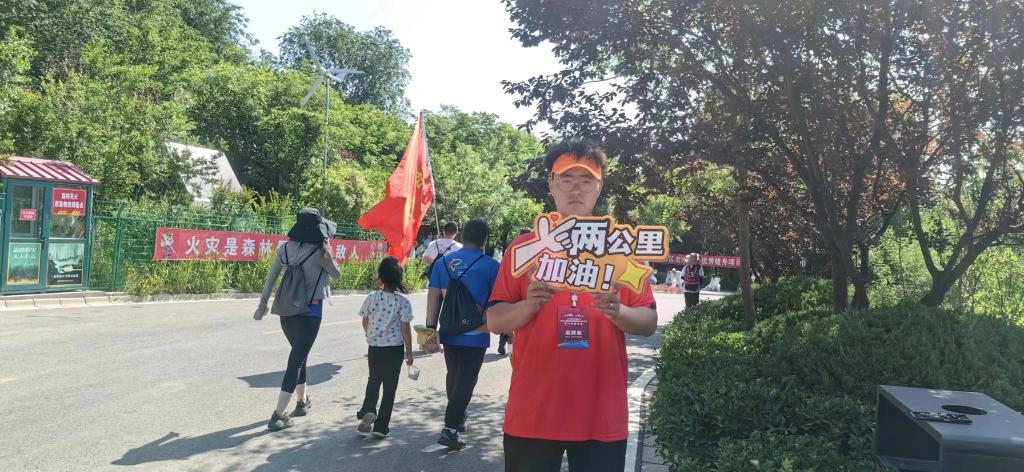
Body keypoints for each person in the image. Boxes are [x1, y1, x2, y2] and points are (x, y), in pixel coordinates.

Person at [487, 141, 658, 471]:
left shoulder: (620, 249)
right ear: (551, 184)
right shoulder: (525, 248)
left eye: (586, 180)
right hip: (533, 412)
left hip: (601, 414)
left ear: (599, 187)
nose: (575, 189)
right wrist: (529, 305)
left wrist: (618, 311)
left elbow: (648, 321)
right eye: (566, 179)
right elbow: (495, 319)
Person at [254, 208, 341, 431]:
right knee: (297, 360)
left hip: (286, 311)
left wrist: (262, 306)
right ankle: (278, 415)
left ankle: (302, 402)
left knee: (299, 355)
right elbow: (336, 274)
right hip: (310, 312)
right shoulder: (321, 252)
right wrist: (330, 256)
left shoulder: (285, 249)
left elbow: (271, 279)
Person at [423, 219, 500, 450]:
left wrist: (430, 329)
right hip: (476, 332)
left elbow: (433, 297)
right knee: (467, 380)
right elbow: (497, 301)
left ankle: (458, 417)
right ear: (484, 240)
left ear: (463, 236)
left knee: (454, 375)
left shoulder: (443, 262)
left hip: (450, 329)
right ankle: (450, 428)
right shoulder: (491, 266)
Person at [356, 257, 414, 439]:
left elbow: (365, 321)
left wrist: (369, 335)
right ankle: (381, 427)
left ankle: (369, 408)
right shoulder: (403, 302)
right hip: (394, 349)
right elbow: (406, 330)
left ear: (380, 276)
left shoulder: (371, 298)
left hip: (375, 347)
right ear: (399, 278)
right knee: (390, 387)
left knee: (374, 379)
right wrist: (409, 353)